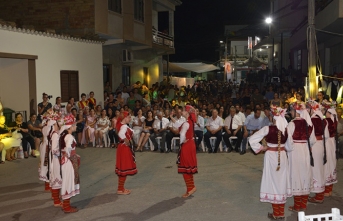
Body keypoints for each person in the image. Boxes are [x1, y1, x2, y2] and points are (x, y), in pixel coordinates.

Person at [249, 106, 292, 220]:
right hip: (282, 156)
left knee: (272, 182)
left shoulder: (267, 129)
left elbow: (252, 139)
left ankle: (276, 213)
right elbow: (290, 146)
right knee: (281, 182)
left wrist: (262, 148)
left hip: (270, 156)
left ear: (273, 117)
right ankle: (280, 212)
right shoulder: (287, 129)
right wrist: (283, 147)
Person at [287, 101, 316, 212]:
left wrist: (289, 149)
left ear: (295, 111)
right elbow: (312, 140)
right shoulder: (307, 123)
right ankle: (303, 205)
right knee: (305, 174)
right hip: (305, 149)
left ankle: (297, 206)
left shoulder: (292, 124)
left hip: (295, 151)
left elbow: (288, 140)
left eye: (292, 111)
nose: (290, 112)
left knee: (296, 175)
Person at [307, 99, 329, 204]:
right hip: (321, 144)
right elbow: (327, 135)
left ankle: (319, 195)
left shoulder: (312, 120)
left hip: (314, 145)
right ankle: (319, 193)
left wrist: (309, 146)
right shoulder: (322, 119)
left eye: (308, 108)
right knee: (319, 168)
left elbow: (310, 135)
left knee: (315, 169)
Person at [174, 105, 198, 198]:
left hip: (186, 145)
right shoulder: (189, 121)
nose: (181, 111)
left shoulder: (186, 123)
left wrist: (181, 142)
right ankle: (191, 187)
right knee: (189, 167)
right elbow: (176, 125)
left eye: (183, 111)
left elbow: (182, 134)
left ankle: (190, 188)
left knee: (185, 167)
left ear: (187, 113)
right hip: (191, 144)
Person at [59, 114, 80, 213]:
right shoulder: (69, 136)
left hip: (66, 161)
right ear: (70, 127)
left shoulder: (65, 135)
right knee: (68, 182)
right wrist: (70, 156)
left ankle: (66, 204)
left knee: (68, 181)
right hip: (69, 162)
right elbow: (67, 148)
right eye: (74, 125)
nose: (76, 126)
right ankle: (66, 207)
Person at [115, 111, 137, 195]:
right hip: (124, 148)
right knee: (124, 168)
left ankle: (120, 188)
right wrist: (126, 140)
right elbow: (121, 134)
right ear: (125, 118)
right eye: (129, 117)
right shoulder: (123, 126)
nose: (130, 118)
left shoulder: (121, 125)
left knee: (122, 169)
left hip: (121, 148)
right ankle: (120, 189)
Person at [322, 100, 338, 197]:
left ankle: (326, 190)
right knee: (331, 162)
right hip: (332, 142)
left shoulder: (326, 121)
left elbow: (325, 135)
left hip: (327, 143)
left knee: (327, 164)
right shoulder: (334, 119)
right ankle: (329, 189)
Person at [48, 114, 63, 207]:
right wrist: (62, 153)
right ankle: (57, 201)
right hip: (56, 158)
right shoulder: (55, 135)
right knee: (57, 176)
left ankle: (57, 198)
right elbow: (54, 149)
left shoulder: (54, 133)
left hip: (55, 158)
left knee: (56, 177)